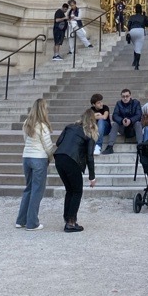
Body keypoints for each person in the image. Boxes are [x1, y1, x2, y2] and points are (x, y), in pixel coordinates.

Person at [53, 108, 98, 232]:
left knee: (70, 190)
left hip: (59, 158)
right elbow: (90, 156)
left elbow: (58, 142)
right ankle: (71, 223)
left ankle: (68, 218)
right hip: (72, 160)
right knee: (77, 192)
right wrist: (92, 177)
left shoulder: (69, 127)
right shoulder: (89, 133)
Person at [15, 98, 54, 230]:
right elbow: (47, 145)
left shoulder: (27, 123)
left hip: (27, 157)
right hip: (39, 158)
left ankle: (21, 220)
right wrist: (50, 157)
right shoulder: (43, 126)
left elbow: (25, 139)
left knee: (29, 188)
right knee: (37, 190)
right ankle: (32, 222)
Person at [102, 88, 143, 153]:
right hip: (123, 127)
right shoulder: (118, 103)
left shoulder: (136, 103)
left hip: (133, 128)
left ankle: (140, 146)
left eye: (127, 96)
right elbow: (115, 115)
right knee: (115, 124)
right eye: (123, 96)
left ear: (130, 96)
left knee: (138, 123)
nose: (125, 98)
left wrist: (130, 120)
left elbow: (139, 115)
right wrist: (122, 121)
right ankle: (110, 146)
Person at [127, 3, 148, 69]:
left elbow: (128, 25)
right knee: (138, 48)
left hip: (132, 31)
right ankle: (136, 65)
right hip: (140, 31)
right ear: (141, 10)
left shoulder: (132, 17)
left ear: (135, 10)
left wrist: (129, 31)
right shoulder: (143, 17)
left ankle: (134, 61)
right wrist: (145, 17)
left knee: (136, 45)